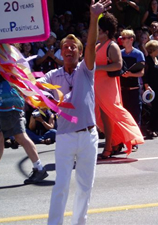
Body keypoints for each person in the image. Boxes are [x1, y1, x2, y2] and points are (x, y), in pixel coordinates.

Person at [40, 1, 112, 224]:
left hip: (89, 136)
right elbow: (36, 89)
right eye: (65, 47)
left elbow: (91, 45)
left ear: (81, 53)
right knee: (61, 185)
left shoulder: (86, 71)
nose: (69, 49)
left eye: (74, 47)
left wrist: (94, 18)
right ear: (61, 53)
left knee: (85, 187)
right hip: (65, 137)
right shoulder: (52, 76)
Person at [0, 63, 48, 184]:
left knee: (20, 137)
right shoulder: (2, 58)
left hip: (9, 106)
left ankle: (39, 168)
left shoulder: (6, 59)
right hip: (1, 106)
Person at [94, 12, 144, 158]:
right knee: (102, 117)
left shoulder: (112, 46)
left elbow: (118, 65)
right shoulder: (97, 46)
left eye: (99, 30)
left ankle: (109, 147)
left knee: (111, 114)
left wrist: (99, 68)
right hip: (98, 85)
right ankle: (115, 143)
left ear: (106, 31)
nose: (97, 32)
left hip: (108, 86)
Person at [120, 29, 145, 150]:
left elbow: (141, 72)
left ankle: (134, 141)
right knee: (123, 116)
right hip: (122, 89)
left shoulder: (138, 54)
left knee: (135, 115)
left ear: (131, 39)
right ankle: (122, 140)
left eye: (125, 38)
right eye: (122, 38)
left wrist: (130, 75)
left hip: (134, 89)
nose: (122, 40)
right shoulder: (119, 53)